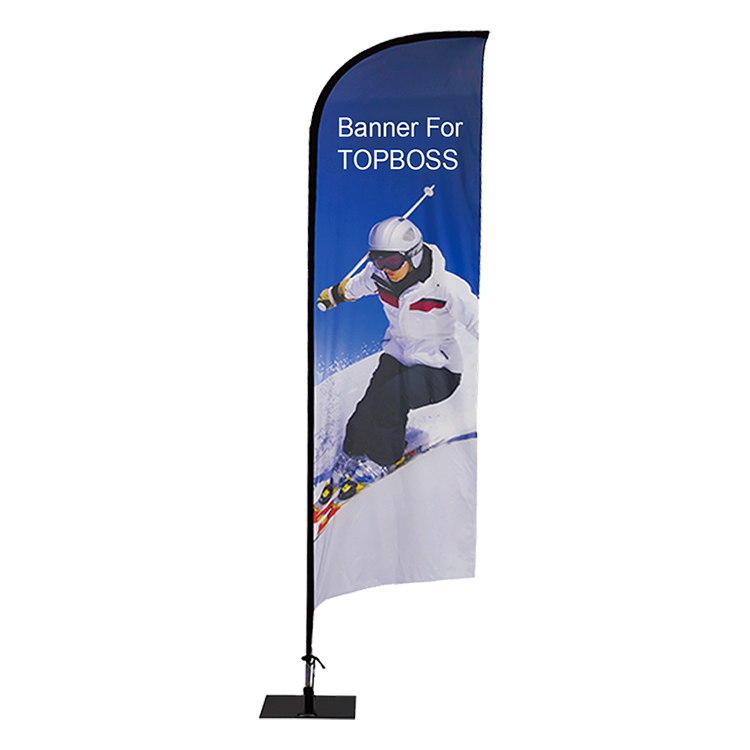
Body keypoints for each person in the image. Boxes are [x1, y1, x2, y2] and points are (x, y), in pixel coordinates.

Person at [316, 215, 478, 506]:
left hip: (439, 369)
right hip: (398, 356)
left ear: (412, 255)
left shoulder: (445, 287)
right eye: (378, 260)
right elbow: (356, 286)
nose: (386, 269)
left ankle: (383, 459)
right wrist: (335, 295)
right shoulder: (379, 276)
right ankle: (351, 456)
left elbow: (479, 320)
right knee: (365, 409)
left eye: (392, 261)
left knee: (391, 399)